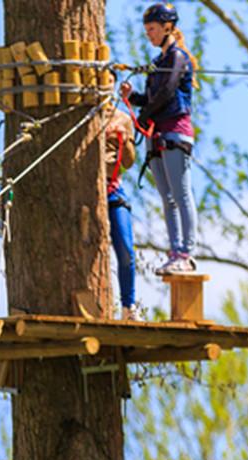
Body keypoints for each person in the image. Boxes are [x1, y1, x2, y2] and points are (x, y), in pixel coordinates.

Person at [120, 3, 200, 274]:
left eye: (152, 29)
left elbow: (166, 94)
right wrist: (133, 97)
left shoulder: (177, 58)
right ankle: (175, 249)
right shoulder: (158, 63)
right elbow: (151, 99)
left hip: (174, 132)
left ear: (167, 26)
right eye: (146, 31)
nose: (149, 35)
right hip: (157, 135)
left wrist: (142, 118)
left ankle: (186, 252)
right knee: (167, 197)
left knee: (180, 193)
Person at [104, 86, 140, 321]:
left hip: (112, 187)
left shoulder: (122, 118)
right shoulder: (84, 117)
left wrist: (124, 139)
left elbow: (129, 162)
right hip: (85, 187)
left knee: (126, 250)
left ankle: (128, 306)